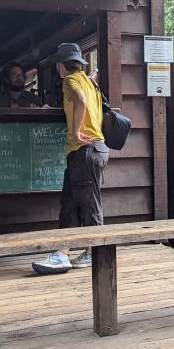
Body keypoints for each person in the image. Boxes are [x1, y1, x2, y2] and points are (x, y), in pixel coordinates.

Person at [32, 43, 109, 275]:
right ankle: (62, 254)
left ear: (60, 65)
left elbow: (80, 102)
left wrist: (76, 131)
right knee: (70, 203)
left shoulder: (70, 81)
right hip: (90, 151)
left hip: (85, 149)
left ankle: (95, 253)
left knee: (89, 204)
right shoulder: (90, 81)